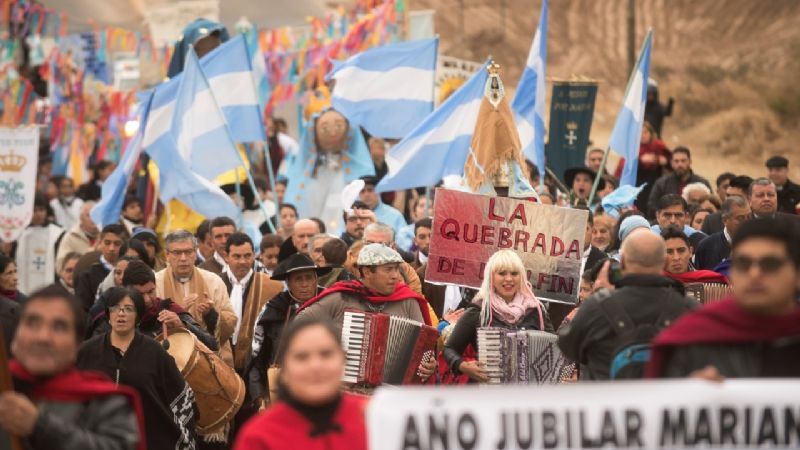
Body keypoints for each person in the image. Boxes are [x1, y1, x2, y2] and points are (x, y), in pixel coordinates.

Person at [648, 218, 800, 378]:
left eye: (770, 264)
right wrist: (686, 392)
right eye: (743, 263)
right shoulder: (691, 341)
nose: (754, 274)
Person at [1, 285, 143, 450]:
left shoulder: (104, 403)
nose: (43, 337)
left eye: (59, 327)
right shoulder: (5, 385)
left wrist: (40, 426)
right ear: (16, 335)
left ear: (77, 344)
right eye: (33, 323)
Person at [558, 229, 697, 380]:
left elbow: (567, 347)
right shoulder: (689, 309)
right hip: (664, 402)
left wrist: (600, 294)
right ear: (665, 261)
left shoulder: (596, 306)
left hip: (607, 400)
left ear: (622, 261)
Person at [77, 287, 198, 450]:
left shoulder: (155, 353)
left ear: (138, 316)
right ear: (108, 314)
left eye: (128, 309)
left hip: (147, 441)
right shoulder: (87, 351)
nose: (121, 314)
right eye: (115, 308)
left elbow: (182, 399)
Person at [297, 244, 436, 382]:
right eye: (388, 270)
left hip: (393, 393)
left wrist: (429, 365)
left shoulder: (408, 301)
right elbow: (299, 324)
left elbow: (424, 347)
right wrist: (326, 351)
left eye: (396, 269)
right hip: (344, 390)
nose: (395, 276)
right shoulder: (340, 297)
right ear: (368, 272)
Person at [235, 318, 368, 450]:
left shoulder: (371, 416)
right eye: (302, 357)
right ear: (284, 370)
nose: (315, 366)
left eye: (326, 354)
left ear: (343, 361)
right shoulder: (258, 437)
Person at [443, 250, 553, 383]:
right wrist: (463, 366)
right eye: (502, 273)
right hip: (488, 393)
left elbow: (556, 348)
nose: (509, 279)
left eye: (514, 273)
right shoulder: (479, 311)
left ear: (522, 276)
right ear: (491, 277)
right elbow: (449, 349)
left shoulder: (536, 310)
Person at [246, 254, 331, 409]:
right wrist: (259, 397)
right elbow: (256, 357)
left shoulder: (332, 303)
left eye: (309, 278)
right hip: (283, 391)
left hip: (326, 386)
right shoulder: (272, 310)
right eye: (298, 279)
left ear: (316, 280)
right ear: (288, 283)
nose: (305, 284)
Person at [88, 260, 218, 349]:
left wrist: (182, 326)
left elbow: (211, 344)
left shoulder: (169, 310)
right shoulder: (112, 317)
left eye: (151, 291)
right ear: (125, 290)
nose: (147, 300)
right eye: (139, 294)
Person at [156, 230, 236, 364]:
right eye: (177, 253)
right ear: (167, 255)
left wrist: (210, 314)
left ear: (195, 253)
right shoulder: (156, 283)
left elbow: (230, 321)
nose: (183, 258)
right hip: (171, 358)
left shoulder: (213, 281)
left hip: (210, 359)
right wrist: (180, 312)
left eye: (188, 252)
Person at [221, 232, 283, 372]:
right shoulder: (214, 283)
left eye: (247, 256)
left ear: (254, 255)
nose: (243, 261)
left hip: (259, 363)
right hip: (222, 362)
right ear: (226, 257)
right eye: (237, 256)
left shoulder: (272, 285)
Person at [615, 122, 670, 214]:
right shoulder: (632, 148)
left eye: (645, 132)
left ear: (651, 133)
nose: (642, 135)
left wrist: (662, 160)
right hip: (635, 184)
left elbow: (670, 159)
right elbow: (624, 166)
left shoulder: (658, 146)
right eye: (640, 133)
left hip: (653, 184)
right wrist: (640, 161)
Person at [16, 194, 64, 294]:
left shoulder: (58, 233)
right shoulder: (19, 234)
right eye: (34, 210)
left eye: (41, 210)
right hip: (24, 286)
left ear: (47, 211)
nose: (38, 214)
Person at [646, 147, 711, 218]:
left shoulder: (702, 183)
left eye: (683, 161)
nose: (680, 164)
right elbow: (651, 207)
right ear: (671, 163)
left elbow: (711, 205)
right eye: (676, 161)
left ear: (690, 162)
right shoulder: (662, 183)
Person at [75, 224, 127, 311]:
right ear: (100, 243)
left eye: (117, 244)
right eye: (107, 243)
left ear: (125, 245)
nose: (111, 248)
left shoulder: (131, 271)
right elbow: (83, 310)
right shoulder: (87, 276)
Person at [694, 196, 751, 271]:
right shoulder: (707, 247)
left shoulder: (760, 243)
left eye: (749, 217)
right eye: (740, 218)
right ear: (725, 220)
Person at [363, 222, 422, 293]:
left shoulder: (406, 271)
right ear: (363, 243)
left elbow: (416, 298)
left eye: (381, 245)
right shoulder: (350, 264)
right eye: (369, 243)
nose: (375, 249)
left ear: (393, 247)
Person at [661, 226, 728, 284]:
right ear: (659, 255)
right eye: (669, 252)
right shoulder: (654, 283)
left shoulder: (711, 279)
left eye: (681, 251)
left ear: (690, 252)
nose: (676, 257)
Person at [55, 200, 98, 269]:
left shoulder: (105, 235)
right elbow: (60, 265)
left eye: (96, 215)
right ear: (81, 218)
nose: (93, 219)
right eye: (88, 215)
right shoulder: (70, 237)